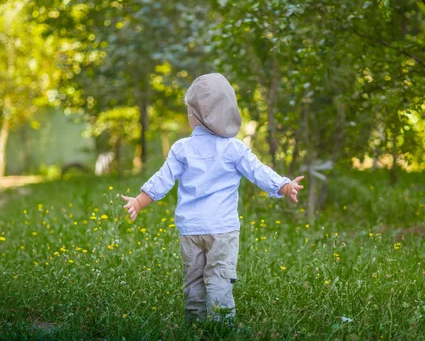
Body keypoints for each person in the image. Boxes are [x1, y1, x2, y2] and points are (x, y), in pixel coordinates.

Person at [120, 73, 304, 323]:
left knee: (193, 279)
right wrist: (283, 185)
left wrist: (138, 201)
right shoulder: (234, 148)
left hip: (190, 229)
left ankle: (195, 324)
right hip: (223, 229)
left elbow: (162, 179)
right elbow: (258, 172)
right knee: (219, 276)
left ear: (195, 116)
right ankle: (221, 327)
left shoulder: (182, 148)